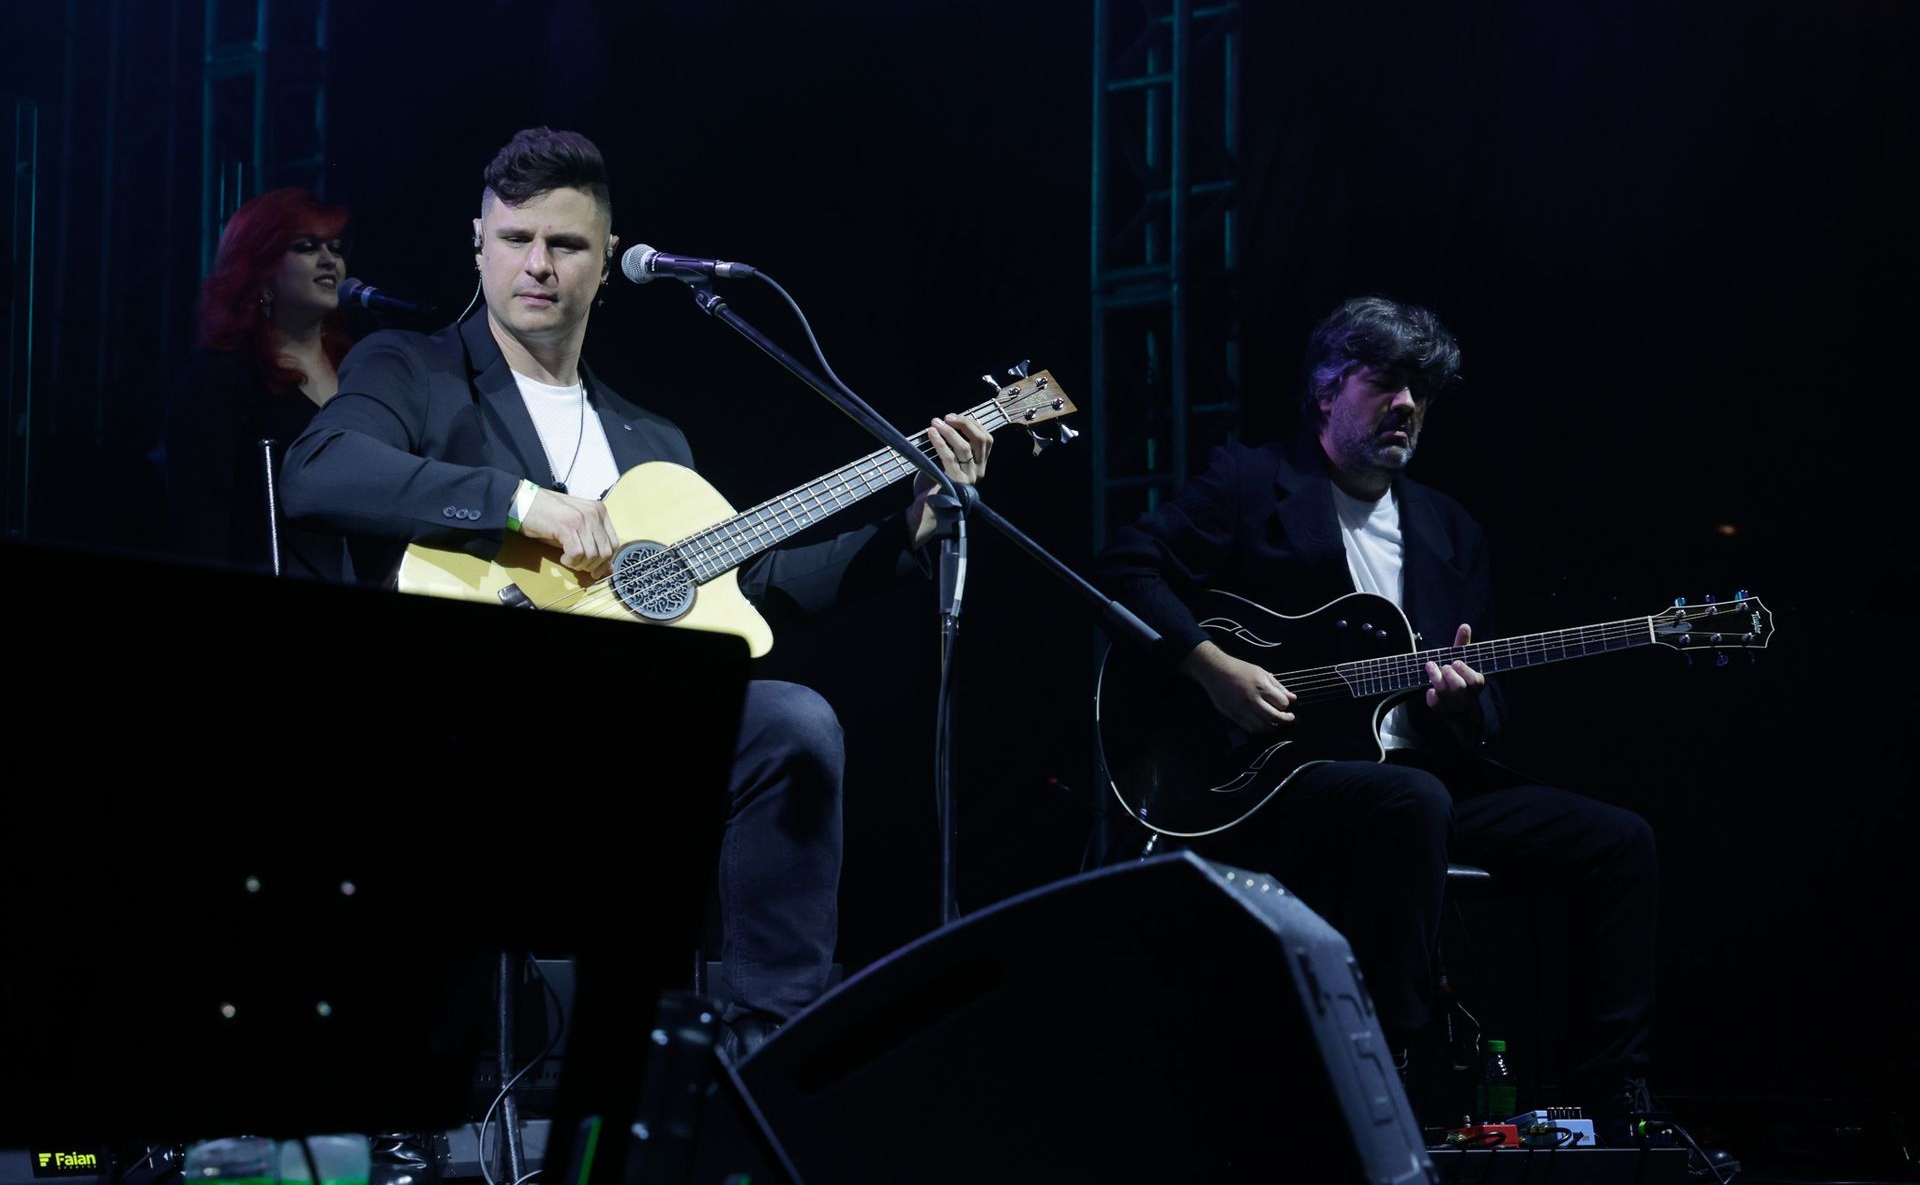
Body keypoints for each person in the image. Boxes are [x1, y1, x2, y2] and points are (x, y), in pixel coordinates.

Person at [282, 126, 992, 1057]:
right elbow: (317, 470)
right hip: (464, 726)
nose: (538, 265)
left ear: (608, 260)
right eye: (516, 239)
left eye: (566, 245)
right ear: (479, 243)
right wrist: (521, 503)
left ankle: (763, 1056)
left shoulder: (651, 441)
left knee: (791, 722)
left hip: (620, 743)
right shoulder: (409, 369)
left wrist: (909, 534)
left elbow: (752, 591)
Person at [1090, 295, 1657, 1138]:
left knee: (1619, 840)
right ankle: (1391, 1079)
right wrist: (1210, 667)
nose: (1407, 407)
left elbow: (1483, 697)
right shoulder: (1251, 482)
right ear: (1326, 392)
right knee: (1415, 804)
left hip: (1409, 776)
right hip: (1265, 781)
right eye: (1385, 383)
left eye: (1420, 392)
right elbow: (1125, 569)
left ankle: (1618, 1099)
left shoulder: (1450, 529)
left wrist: (1461, 709)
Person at [164, 187, 354, 580]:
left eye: (335, 248)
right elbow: (201, 519)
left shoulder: (361, 367)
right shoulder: (219, 377)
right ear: (260, 268)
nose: (329, 260)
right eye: (306, 247)